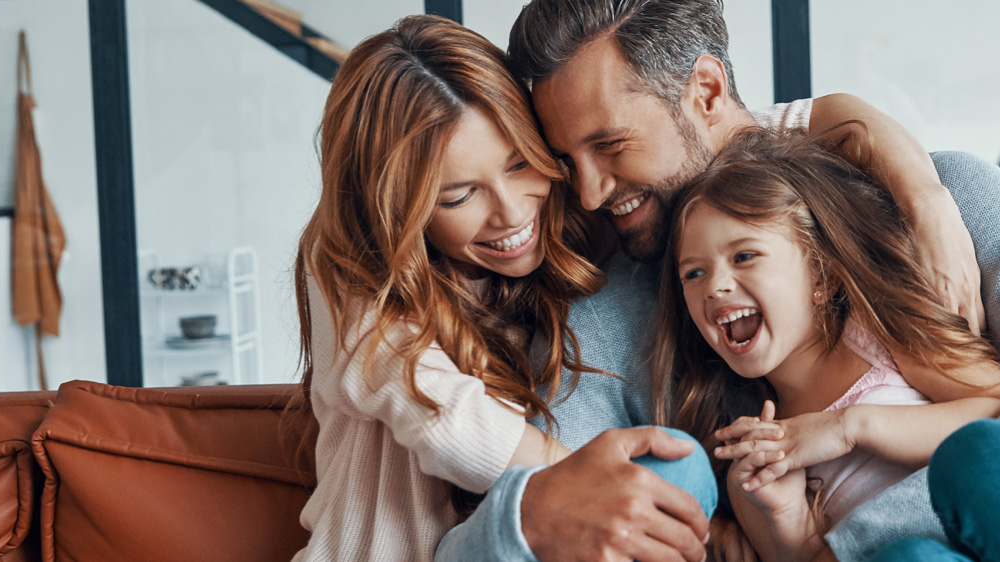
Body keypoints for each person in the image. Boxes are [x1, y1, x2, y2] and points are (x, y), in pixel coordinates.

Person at [435, 1, 1000, 561]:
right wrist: (524, 522)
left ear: (704, 92)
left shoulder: (936, 205)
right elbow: (543, 516)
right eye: (568, 163)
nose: (593, 193)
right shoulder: (606, 315)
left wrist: (838, 549)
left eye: (611, 146)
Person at [287, 16, 714, 562]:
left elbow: (690, 140)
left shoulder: (568, 215)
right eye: (459, 196)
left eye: (519, 164)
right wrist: (592, 490)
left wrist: (831, 113)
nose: (512, 214)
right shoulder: (350, 269)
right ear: (395, 211)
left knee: (684, 470)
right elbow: (442, 417)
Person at [656, 129, 1000, 562]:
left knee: (985, 452)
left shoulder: (878, 337)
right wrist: (785, 518)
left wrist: (851, 426)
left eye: (745, 256)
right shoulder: (756, 452)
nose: (714, 287)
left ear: (821, 275)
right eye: (693, 273)